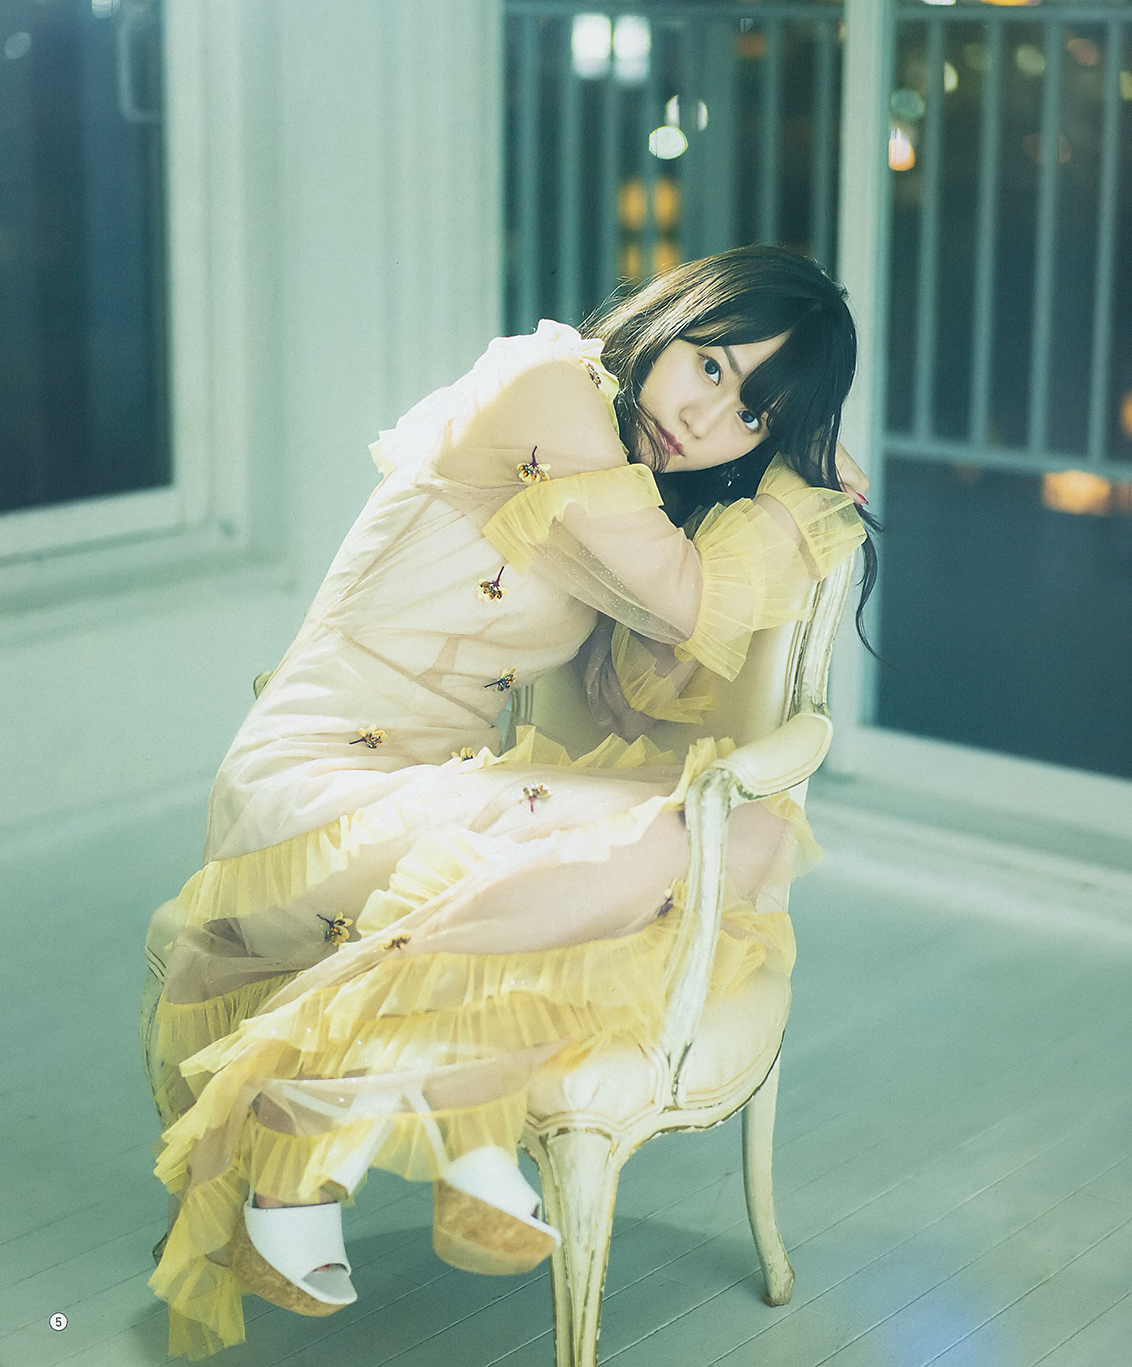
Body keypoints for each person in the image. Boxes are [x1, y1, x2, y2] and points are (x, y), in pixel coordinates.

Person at [147, 245, 873, 1358]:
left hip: (438, 794)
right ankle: (339, 1111)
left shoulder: (623, 488)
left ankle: (406, 1103)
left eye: (750, 416)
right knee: (690, 840)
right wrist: (792, 480)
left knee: (747, 832)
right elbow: (689, 600)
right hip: (309, 790)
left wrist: (772, 469)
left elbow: (637, 690)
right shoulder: (550, 391)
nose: (705, 417)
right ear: (669, 319)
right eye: (710, 365)